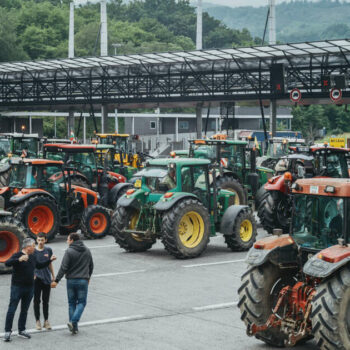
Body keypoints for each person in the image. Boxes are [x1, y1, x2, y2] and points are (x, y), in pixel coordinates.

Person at [3, 238, 56, 342]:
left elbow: (40, 265)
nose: (34, 247)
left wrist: (50, 260)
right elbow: (7, 263)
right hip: (17, 287)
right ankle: (7, 331)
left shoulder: (33, 256)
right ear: (28, 247)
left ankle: (21, 330)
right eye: (33, 245)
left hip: (30, 287)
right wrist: (19, 260)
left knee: (24, 310)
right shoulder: (17, 255)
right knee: (12, 309)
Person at [51, 233, 93, 335]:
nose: (67, 241)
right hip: (83, 280)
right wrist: (88, 277)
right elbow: (91, 266)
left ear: (72, 240)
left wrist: (56, 280)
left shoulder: (69, 251)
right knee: (82, 303)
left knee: (71, 303)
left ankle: (73, 324)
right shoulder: (87, 250)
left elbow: (63, 268)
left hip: (71, 281)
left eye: (68, 239)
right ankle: (74, 325)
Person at [33, 233, 55, 331]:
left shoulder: (48, 250)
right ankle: (37, 321)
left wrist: (53, 275)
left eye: (42, 240)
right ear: (36, 240)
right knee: (36, 301)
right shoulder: (33, 251)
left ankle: (46, 321)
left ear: (45, 240)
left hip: (46, 279)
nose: (40, 242)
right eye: (39, 240)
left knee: (46, 301)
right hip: (36, 279)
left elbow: (50, 264)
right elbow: (32, 265)